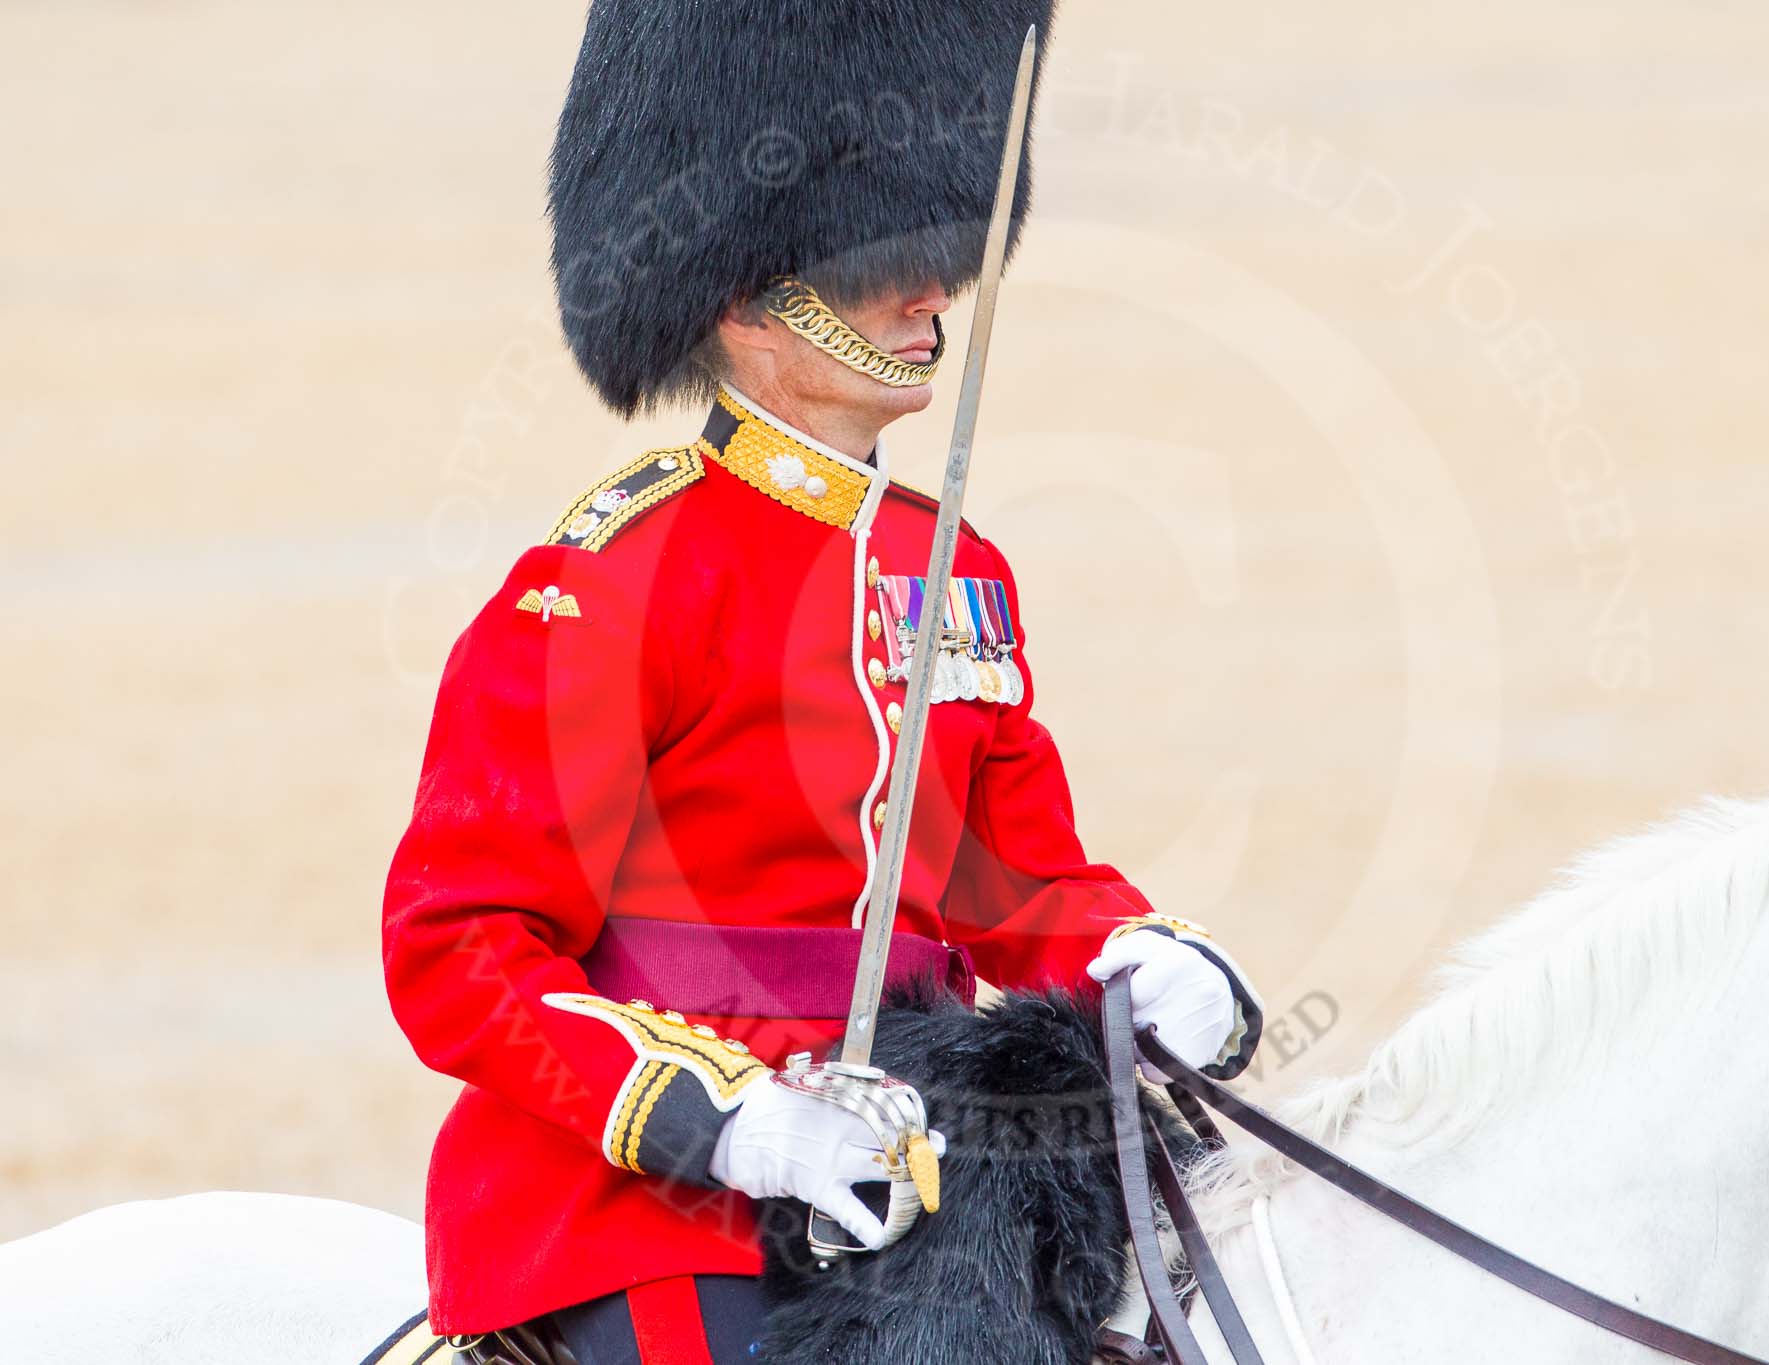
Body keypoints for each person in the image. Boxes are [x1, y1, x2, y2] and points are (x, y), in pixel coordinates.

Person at [380, 2, 1264, 1360]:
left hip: (921, 1174)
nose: (932, 294)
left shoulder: (956, 567)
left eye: (934, 257)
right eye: (880, 263)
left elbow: (1011, 886)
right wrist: (726, 1120)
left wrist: (1141, 959)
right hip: (646, 1211)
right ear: (748, 303)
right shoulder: (618, 573)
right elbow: (459, 947)